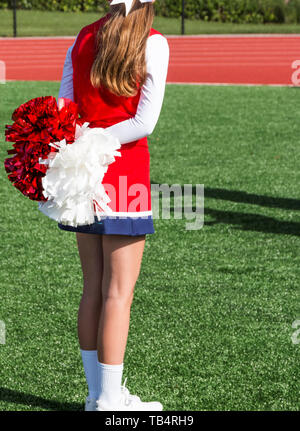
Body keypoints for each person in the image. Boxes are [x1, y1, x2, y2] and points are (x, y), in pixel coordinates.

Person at [55, 0, 169, 411]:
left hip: (82, 174)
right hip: (124, 174)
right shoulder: (153, 42)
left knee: (93, 289)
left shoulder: (83, 36)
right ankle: (107, 400)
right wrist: (98, 142)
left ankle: (97, 395)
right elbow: (144, 123)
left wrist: (84, 142)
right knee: (117, 293)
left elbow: (64, 108)